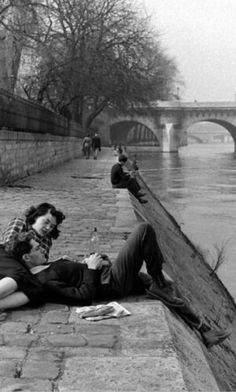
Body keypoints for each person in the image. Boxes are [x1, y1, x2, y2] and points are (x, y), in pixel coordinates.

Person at [6, 224, 231, 348]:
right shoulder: (44, 281)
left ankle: (204, 330)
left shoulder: (45, 266)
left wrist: (89, 261)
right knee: (143, 231)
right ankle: (158, 280)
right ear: (27, 258)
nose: (42, 250)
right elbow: (82, 296)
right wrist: (91, 269)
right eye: (36, 249)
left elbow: (76, 275)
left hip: (107, 275)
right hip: (110, 283)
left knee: (160, 286)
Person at [0, 203, 65, 309]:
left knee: (37, 290)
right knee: (21, 276)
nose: (48, 228)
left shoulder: (47, 240)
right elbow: (11, 247)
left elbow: (38, 263)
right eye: (46, 222)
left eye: (52, 226)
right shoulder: (20, 222)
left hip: (22, 267)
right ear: (35, 217)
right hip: (8, 257)